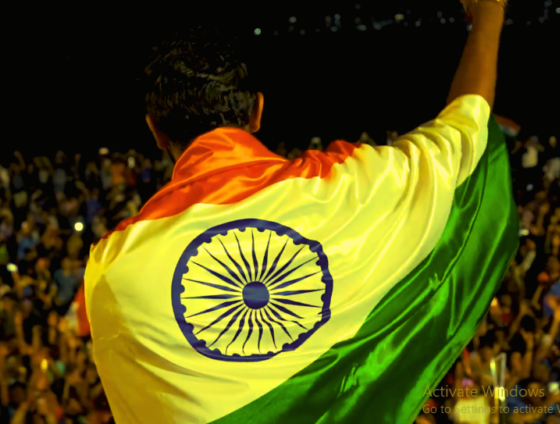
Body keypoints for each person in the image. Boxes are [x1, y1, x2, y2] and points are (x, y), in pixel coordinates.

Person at [84, 0, 513, 422]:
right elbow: (462, 135)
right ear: (257, 112)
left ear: (155, 131)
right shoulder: (351, 188)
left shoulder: (115, 266)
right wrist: (489, 16)